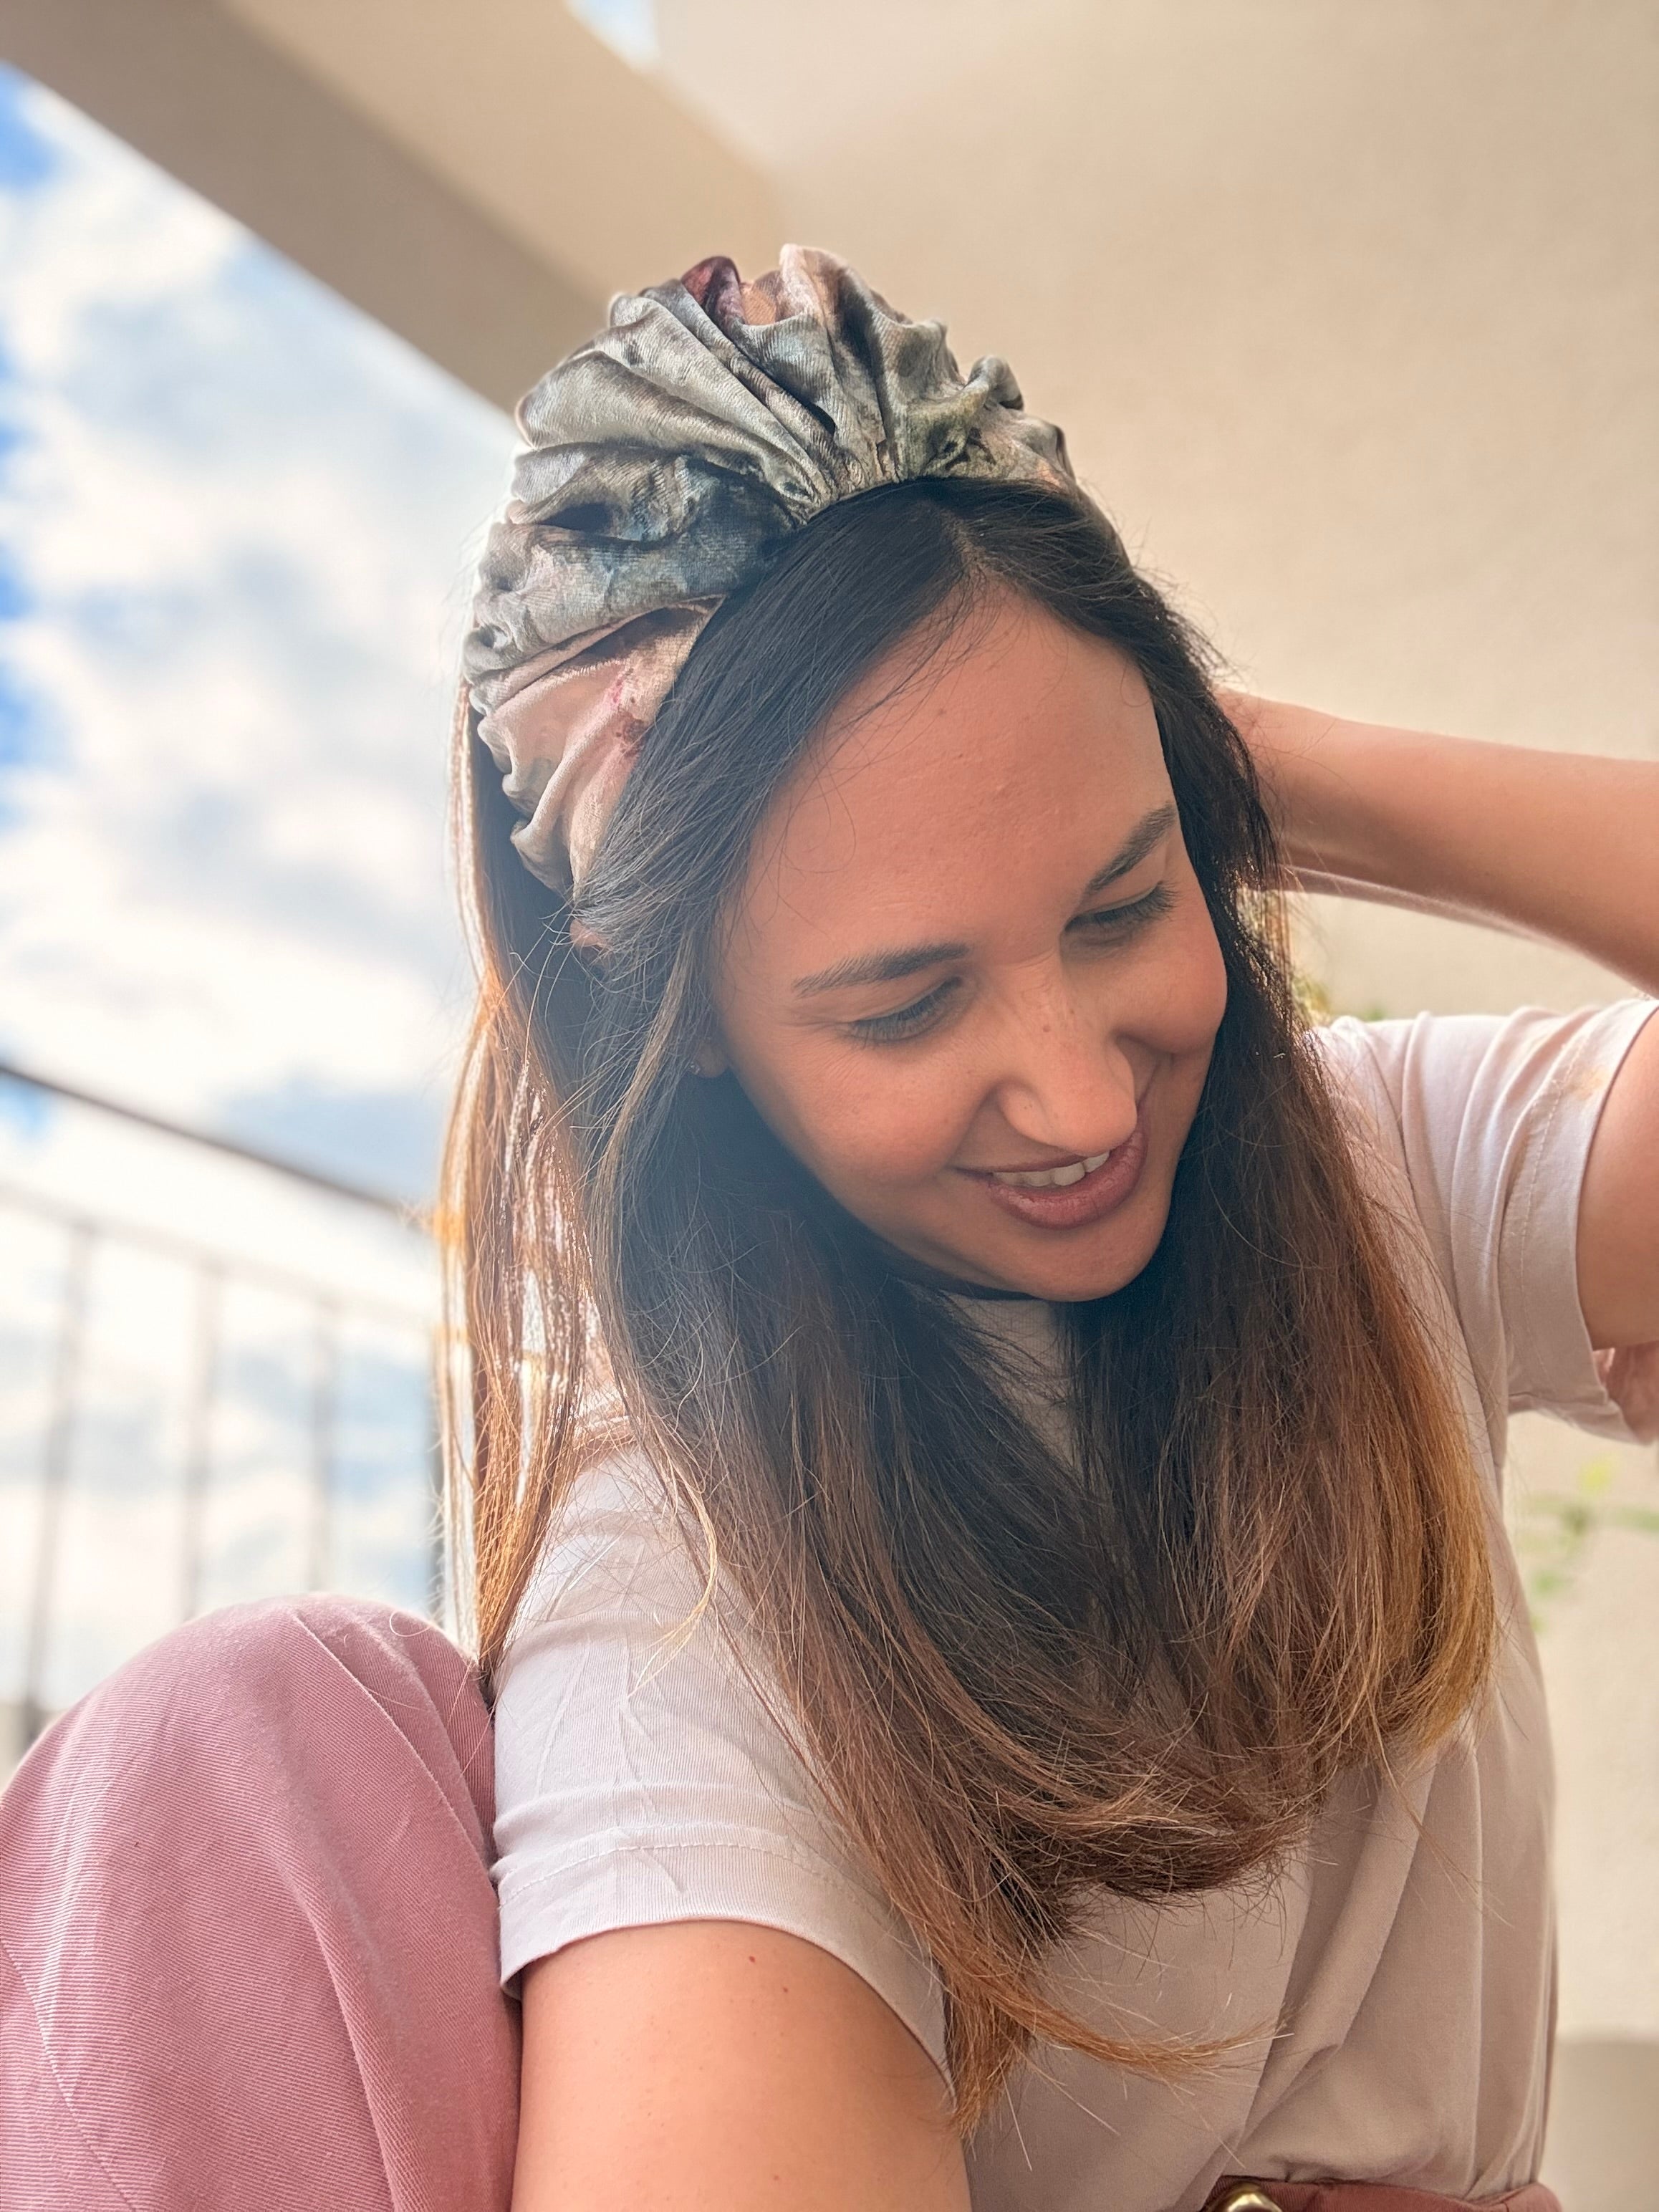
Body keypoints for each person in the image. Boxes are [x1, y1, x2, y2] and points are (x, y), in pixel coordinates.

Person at [3, 248, 1655, 2212]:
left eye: (1125, 905)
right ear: (687, 1025)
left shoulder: (1389, 1177)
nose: (1076, 1093)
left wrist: (1251, 759)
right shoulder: (691, 1579)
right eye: (904, 1005)